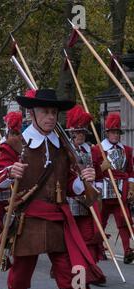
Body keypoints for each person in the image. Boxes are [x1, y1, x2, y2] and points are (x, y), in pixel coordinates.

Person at [0, 89, 104, 289]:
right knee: (18, 281)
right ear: (31, 113)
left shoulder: (63, 148)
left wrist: (84, 180)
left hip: (57, 220)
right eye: (45, 112)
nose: (51, 117)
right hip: (27, 221)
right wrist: (10, 171)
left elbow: (69, 184)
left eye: (54, 112)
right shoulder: (14, 145)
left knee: (72, 277)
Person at [65, 105, 105, 265]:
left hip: (89, 199)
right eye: (77, 132)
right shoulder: (64, 151)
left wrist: (98, 190)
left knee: (90, 235)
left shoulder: (93, 151)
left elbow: (100, 176)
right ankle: (72, 266)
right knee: (71, 237)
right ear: (71, 133)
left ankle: (91, 268)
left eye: (82, 132)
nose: (79, 135)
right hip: (71, 200)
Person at [92, 112, 134, 264]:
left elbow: (130, 170)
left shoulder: (127, 150)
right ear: (107, 133)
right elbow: (94, 172)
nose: (115, 135)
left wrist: (131, 187)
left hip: (120, 191)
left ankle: (127, 250)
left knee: (124, 220)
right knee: (100, 222)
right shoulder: (98, 150)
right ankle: (99, 248)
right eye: (113, 132)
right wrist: (101, 168)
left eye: (117, 132)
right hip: (103, 190)